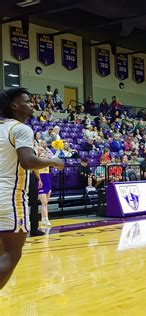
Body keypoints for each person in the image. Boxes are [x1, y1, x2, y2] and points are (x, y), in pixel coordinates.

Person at [0, 87, 64, 289]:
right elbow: (27, 161)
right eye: (27, 101)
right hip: (9, 198)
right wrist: (52, 161)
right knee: (12, 254)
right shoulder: (21, 129)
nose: (32, 104)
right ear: (14, 105)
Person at [37, 152, 52, 226]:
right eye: (41, 156)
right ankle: (46, 219)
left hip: (47, 183)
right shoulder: (37, 165)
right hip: (41, 184)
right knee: (44, 203)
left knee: (45, 203)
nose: (43, 157)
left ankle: (43, 219)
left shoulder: (47, 164)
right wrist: (39, 180)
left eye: (44, 156)